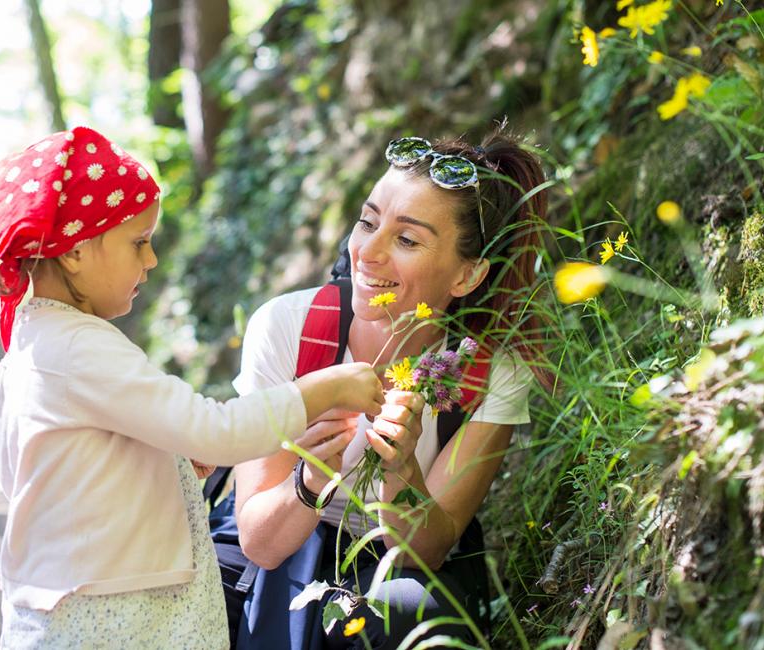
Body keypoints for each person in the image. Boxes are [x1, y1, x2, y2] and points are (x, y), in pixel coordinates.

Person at [0, 125, 386, 649]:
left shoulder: (37, 343)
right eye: (138, 242)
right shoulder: (79, 347)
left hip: (75, 600)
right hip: (113, 614)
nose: (152, 259)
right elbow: (217, 431)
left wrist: (161, 457)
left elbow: (61, 473)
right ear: (73, 252)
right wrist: (324, 389)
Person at [229, 131, 552, 649]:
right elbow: (261, 543)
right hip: (290, 529)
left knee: (402, 618)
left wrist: (403, 469)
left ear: (467, 275)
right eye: (367, 222)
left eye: (406, 239)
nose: (367, 253)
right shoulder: (289, 330)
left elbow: (421, 553)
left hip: (399, 552)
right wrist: (310, 480)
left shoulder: (487, 369)